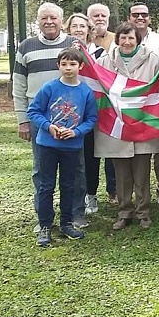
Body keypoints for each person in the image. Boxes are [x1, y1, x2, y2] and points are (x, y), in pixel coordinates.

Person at [13, 2, 76, 232]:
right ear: (38, 21)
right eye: (44, 18)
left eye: (53, 18)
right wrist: (22, 119)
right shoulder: (26, 46)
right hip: (39, 119)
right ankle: (44, 220)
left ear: (62, 20)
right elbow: (19, 85)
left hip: (71, 120)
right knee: (42, 172)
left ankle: (73, 216)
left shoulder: (73, 44)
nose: (49, 22)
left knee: (73, 172)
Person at [96, 23, 159, 230]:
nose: (127, 42)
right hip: (116, 124)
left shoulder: (152, 59)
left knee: (142, 170)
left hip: (142, 121)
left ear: (138, 40)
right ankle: (124, 211)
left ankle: (143, 211)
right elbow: (96, 85)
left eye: (131, 38)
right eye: (123, 38)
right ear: (117, 39)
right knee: (122, 171)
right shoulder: (105, 61)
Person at [27, 48, 98, 246]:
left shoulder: (85, 92)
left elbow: (91, 119)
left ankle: (66, 222)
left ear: (80, 66)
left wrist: (76, 132)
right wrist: (48, 126)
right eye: (64, 64)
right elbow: (33, 111)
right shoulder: (49, 88)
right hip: (47, 145)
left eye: (73, 64)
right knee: (46, 185)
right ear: (58, 65)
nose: (68, 68)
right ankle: (45, 225)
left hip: (72, 146)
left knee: (69, 185)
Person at [128, 2, 159, 204]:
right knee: (139, 152)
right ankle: (134, 194)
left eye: (144, 14)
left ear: (149, 18)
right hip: (132, 106)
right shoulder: (124, 39)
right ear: (129, 17)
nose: (140, 18)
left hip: (156, 102)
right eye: (135, 14)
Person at [64, 13, 102, 227]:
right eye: (74, 26)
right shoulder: (64, 53)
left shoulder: (98, 52)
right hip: (67, 112)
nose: (78, 29)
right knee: (70, 158)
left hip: (90, 110)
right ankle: (71, 199)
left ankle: (91, 193)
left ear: (89, 29)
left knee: (90, 155)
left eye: (82, 26)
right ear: (69, 29)